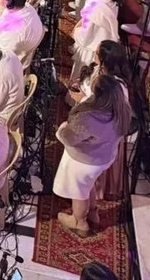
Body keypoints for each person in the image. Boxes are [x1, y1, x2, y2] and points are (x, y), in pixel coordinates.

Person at [53, 75, 131, 236]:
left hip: (84, 162)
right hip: (104, 157)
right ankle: (93, 212)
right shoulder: (122, 109)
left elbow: (68, 137)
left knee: (78, 192)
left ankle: (79, 222)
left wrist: (62, 128)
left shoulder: (89, 117)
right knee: (87, 184)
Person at [70, 0, 121, 85]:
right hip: (89, 34)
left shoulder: (103, 7)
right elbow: (86, 17)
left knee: (86, 73)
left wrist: (78, 34)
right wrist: (78, 25)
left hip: (93, 43)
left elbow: (89, 28)